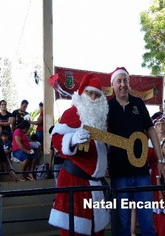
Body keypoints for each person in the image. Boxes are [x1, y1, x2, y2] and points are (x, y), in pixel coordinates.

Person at [49, 73, 109, 235]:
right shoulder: (72, 113)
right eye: (90, 93)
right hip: (75, 183)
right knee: (74, 231)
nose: (94, 98)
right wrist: (72, 139)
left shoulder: (103, 120)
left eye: (97, 95)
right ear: (83, 94)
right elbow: (55, 139)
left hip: (95, 186)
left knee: (96, 231)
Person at [108, 67, 164, 236]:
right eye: (119, 81)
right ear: (113, 85)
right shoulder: (107, 106)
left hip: (142, 173)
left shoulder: (138, 103)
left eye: (125, 80)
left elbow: (151, 130)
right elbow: (100, 136)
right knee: (123, 225)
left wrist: (160, 160)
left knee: (148, 223)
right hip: (119, 174)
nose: (123, 84)